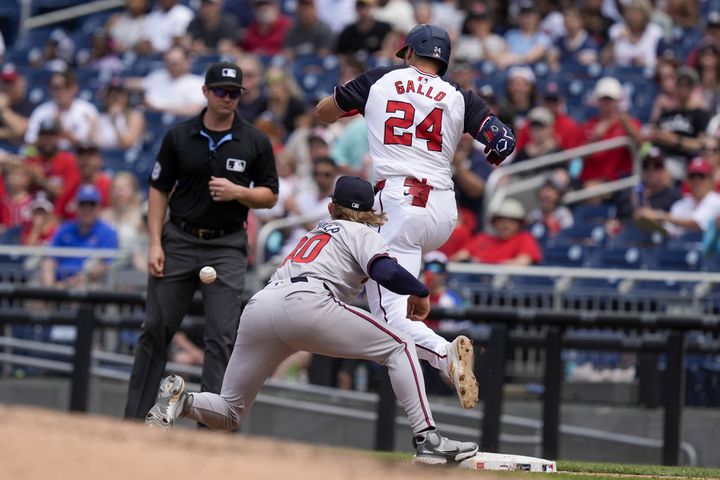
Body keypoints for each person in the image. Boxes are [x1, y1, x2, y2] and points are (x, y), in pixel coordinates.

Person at [144, 176, 479, 466]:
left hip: (262, 306)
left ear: (331, 207)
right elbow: (384, 270)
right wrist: (419, 290)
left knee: (230, 410)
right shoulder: (361, 230)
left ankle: (183, 401)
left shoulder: (316, 232)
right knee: (402, 344)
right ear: (371, 214)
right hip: (308, 304)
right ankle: (428, 439)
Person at [315, 24, 516, 409]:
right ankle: (429, 406)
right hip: (441, 209)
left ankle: (444, 354)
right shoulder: (460, 96)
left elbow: (325, 113)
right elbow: (502, 142)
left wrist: (351, 103)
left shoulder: (382, 80)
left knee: (389, 319)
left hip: (398, 202)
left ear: (408, 53)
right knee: (396, 308)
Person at [124, 61, 279, 420]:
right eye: (222, 91)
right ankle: (133, 419)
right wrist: (154, 244)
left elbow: (270, 195)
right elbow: (158, 188)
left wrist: (238, 192)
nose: (228, 98)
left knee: (222, 336)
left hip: (226, 245)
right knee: (155, 329)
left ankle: (213, 426)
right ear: (206, 92)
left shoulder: (254, 140)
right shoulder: (179, 135)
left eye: (235, 93)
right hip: (179, 238)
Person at [451, 198, 542, 266]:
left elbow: (522, 262)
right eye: (501, 219)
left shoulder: (524, 238)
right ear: (494, 222)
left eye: (511, 220)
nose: (505, 224)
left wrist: (481, 265)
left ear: (520, 224)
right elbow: (459, 257)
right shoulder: (482, 238)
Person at [24, 71, 99, 149]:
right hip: (49, 156)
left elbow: (90, 144)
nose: (60, 91)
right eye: (56, 88)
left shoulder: (87, 110)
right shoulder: (41, 111)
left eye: (65, 86)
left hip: (78, 157)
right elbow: (30, 140)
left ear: (74, 88)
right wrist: (49, 133)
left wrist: (62, 131)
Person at [0, 66, 33, 146]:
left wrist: (4, 110)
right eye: (4, 82)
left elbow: (20, 131)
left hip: (19, 152)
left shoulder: (31, 106)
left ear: (21, 83)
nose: (7, 87)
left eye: (11, 83)